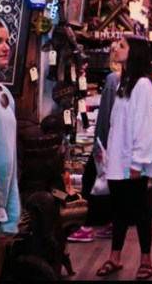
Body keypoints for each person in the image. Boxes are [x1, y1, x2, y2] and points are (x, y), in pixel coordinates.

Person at [95, 36, 152, 281]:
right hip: (117, 158)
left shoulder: (143, 84)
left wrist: (137, 161)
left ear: (133, 53)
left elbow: (145, 125)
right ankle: (115, 257)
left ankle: (146, 260)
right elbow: (118, 123)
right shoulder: (124, 82)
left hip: (132, 162)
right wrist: (107, 149)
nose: (116, 49)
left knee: (140, 211)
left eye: (122, 46)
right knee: (119, 211)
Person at [67, 49, 119, 243]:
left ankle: (87, 226)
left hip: (106, 142)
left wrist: (100, 142)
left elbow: (106, 113)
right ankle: (111, 223)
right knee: (109, 184)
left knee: (90, 180)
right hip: (116, 143)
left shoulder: (113, 80)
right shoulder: (130, 80)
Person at [0, 16, 19, 280]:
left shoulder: (5, 95)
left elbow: (12, 158)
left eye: (7, 40)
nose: (6, 46)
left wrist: (11, 214)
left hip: (1, 212)